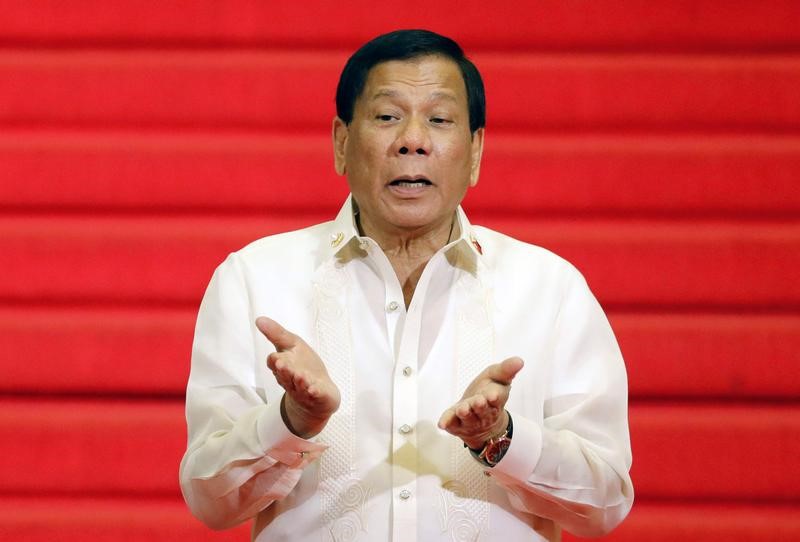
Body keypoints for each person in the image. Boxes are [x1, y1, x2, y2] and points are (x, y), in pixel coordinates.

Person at [180, 29, 633, 542]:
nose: (413, 139)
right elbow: (209, 500)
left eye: (439, 120)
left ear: (476, 150)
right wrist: (291, 421)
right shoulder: (254, 279)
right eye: (388, 116)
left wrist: (500, 439)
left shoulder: (551, 290)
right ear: (342, 143)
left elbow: (606, 503)